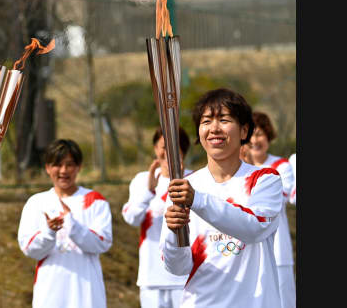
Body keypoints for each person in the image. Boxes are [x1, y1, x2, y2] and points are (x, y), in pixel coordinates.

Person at [159, 88, 283, 307]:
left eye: (224, 120)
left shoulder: (264, 180)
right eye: (206, 121)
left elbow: (254, 227)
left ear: (244, 131)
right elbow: (178, 267)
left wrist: (197, 201)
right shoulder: (184, 187)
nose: (214, 128)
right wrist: (173, 233)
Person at [17, 139, 113, 308]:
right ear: (47, 167)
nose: (63, 171)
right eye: (57, 165)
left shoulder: (95, 201)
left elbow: (103, 243)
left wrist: (73, 225)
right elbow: (29, 249)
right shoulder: (37, 203)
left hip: (87, 295)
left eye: (69, 165)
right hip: (50, 294)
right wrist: (49, 232)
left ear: (79, 167)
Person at [121, 126, 193, 308]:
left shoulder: (196, 179)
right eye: (163, 146)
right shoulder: (142, 180)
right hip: (151, 275)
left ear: (183, 150)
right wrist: (148, 191)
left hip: (185, 276)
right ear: (155, 149)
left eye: (175, 146)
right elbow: (132, 218)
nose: (168, 152)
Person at [244, 111, 296, 308]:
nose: (255, 140)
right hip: (249, 253)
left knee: (284, 302)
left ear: (268, 137)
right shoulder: (239, 169)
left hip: (278, 250)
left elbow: (277, 199)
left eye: (260, 134)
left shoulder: (281, 166)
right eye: (251, 135)